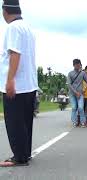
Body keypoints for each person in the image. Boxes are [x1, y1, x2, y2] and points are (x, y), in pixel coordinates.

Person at [0, 0, 38, 167]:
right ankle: (25, 153)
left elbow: (15, 54)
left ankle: (19, 157)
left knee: (14, 122)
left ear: (5, 10)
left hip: (18, 85)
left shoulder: (13, 28)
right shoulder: (27, 28)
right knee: (25, 122)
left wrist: (10, 80)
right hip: (29, 84)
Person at [67, 59, 87, 128]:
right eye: (76, 65)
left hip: (80, 94)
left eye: (79, 64)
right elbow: (69, 84)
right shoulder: (70, 73)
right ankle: (74, 122)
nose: (78, 66)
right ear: (74, 65)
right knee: (74, 108)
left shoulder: (83, 73)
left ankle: (83, 122)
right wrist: (76, 92)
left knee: (80, 108)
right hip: (72, 94)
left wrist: (84, 90)